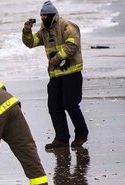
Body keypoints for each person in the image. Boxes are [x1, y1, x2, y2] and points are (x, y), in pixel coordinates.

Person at [22, 1, 89, 150]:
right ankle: (61, 139)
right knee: (54, 106)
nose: (42, 18)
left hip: (71, 72)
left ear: (52, 15)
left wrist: (57, 58)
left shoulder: (66, 26)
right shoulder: (43, 30)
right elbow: (31, 43)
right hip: (54, 74)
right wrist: (26, 31)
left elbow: (73, 44)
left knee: (70, 104)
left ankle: (81, 134)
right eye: (41, 15)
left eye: (45, 15)